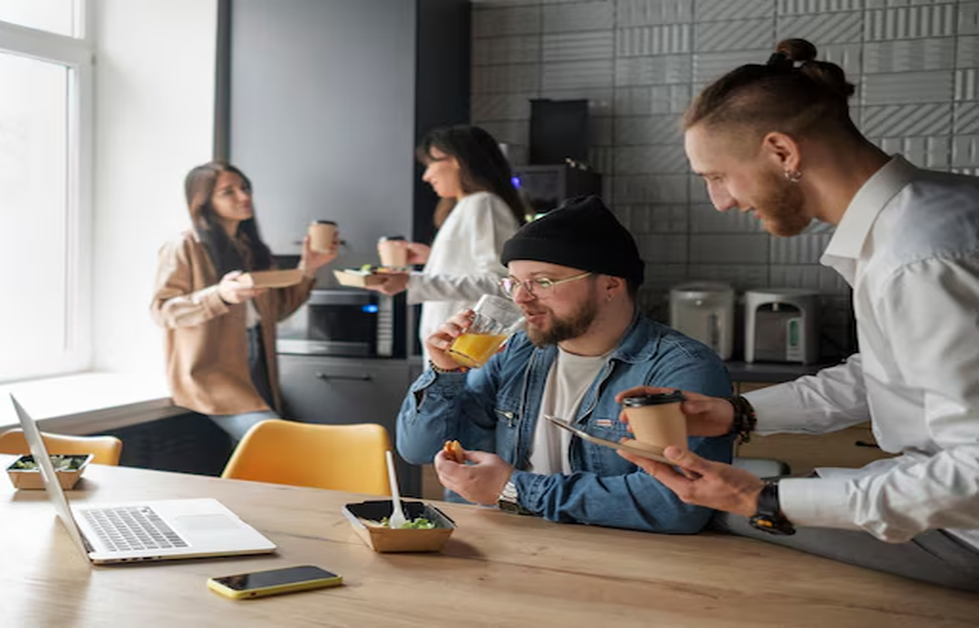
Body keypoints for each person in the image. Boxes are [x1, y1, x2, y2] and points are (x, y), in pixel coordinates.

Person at [616, 39, 979, 591]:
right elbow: (883, 374)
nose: (722, 202)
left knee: (709, 523)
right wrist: (735, 414)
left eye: (716, 176)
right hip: (938, 500)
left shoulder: (918, 259)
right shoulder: (934, 213)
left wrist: (757, 497)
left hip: (964, 529)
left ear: (782, 152)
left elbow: (974, 474)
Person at [395, 196, 734, 533]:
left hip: (623, 563)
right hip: (505, 550)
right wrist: (444, 372)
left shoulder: (679, 368)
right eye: (513, 283)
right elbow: (419, 449)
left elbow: (675, 505)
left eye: (542, 282)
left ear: (610, 285)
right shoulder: (516, 352)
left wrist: (513, 489)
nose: (520, 299)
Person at [151, 162, 337, 442]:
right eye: (228, 192)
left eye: (244, 188)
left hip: (258, 363)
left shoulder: (252, 249)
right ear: (204, 202)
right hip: (210, 373)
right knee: (277, 442)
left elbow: (279, 311)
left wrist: (308, 268)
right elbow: (162, 311)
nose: (243, 196)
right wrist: (219, 295)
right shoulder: (184, 246)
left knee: (267, 457)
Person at [366, 125, 525, 358]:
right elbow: (476, 270)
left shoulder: (483, 204)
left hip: (466, 352)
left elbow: (501, 283)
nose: (426, 176)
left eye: (431, 164)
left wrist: (412, 282)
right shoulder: (466, 207)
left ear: (459, 160)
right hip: (452, 351)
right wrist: (431, 258)